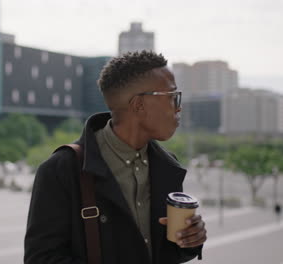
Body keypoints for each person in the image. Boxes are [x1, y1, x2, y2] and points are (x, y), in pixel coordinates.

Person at [24, 51, 207, 263]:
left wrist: (191, 240)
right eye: (173, 97)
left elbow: (169, 252)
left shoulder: (167, 166)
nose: (179, 106)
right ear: (139, 105)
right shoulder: (61, 170)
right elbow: (41, 258)